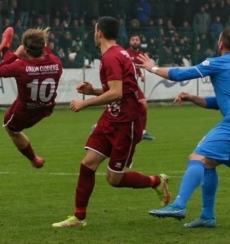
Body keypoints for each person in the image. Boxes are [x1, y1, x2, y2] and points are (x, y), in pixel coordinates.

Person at [137, 28, 230, 229]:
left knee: (196, 158)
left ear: (221, 43)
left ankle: (178, 205)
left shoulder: (219, 62)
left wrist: (152, 68)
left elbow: (180, 74)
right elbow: (223, 102)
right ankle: (207, 216)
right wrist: (193, 98)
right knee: (208, 164)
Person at [52, 16, 170, 228]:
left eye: (94, 29)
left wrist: (85, 102)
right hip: (111, 118)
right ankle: (78, 218)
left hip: (126, 122)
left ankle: (156, 181)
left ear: (100, 33)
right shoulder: (119, 53)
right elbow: (122, 90)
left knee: (113, 179)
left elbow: (116, 93)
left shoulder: (111, 57)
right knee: (87, 164)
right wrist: (93, 91)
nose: (93, 33)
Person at [0, 27, 62, 168]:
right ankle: (5, 47)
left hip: (25, 111)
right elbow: (45, 52)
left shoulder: (21, 66)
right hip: (46, 108)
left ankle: (34, 159)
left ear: (26, 50)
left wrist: (16, 53)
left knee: (10, 128)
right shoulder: (56, 63)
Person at [123, 33, 156, 140]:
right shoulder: (126, 53)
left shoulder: (141, 54)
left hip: (134, 85)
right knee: (121, 109)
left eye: (137, 39)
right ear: (130, 42)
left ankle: (142, 131)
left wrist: (141, 74)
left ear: (140, 42)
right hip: (125, 84)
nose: (135, 41)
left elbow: (136, 67)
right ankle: (98, 126)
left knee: (143, 106)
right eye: (133, 39)